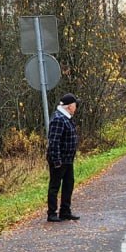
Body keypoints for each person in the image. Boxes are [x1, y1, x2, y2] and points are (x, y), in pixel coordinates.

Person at [46, 94, 80, 222]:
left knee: (68, 184)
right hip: (59, 160)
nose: (76, 107)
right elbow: (53, 142)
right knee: (55, 186)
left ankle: (65, 211)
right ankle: (52, 213)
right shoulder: (58, 119)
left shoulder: (67, 118)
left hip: (68, 159)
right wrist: (56, 160)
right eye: (75, 105)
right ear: (70, 106)